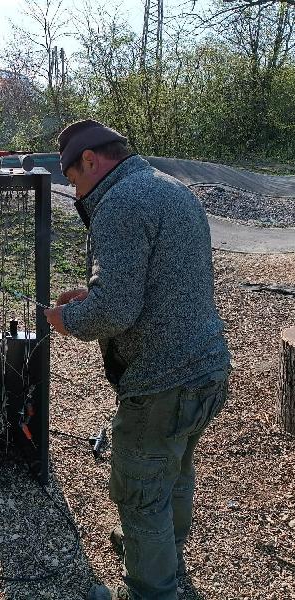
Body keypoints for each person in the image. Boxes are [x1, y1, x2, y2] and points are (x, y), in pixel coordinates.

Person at [44, 120, 231, 600]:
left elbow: (116, 311)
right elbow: (162, 280)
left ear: (90, 160)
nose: (74, 190)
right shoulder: (169, 188)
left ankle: (151, 587)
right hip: (207, 366)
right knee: (174, 474)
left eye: (73, 179)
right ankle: (162, 556)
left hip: (162, 381)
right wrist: (94, 293)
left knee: (139, 492)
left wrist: (69, 319)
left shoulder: (120, 203)